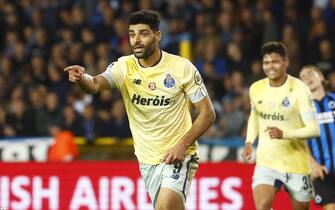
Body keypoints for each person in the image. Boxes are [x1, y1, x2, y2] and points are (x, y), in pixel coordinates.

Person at [64, 10, 215, 210]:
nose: (136, 40)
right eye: (132, 34)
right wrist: (82, 78)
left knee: (165, 207)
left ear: (157, 35)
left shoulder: (182, 68)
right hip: (147, 160)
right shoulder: (124, 67)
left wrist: (182, 145)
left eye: (143, 34)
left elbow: (208, 113)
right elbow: (94, 85)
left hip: (179, 155)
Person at [241, 41, 320, 210]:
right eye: (266, 63)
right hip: (266, 162)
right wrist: (249, 142)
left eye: (275, 62)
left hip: (296, 164)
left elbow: (313, 129)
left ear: (286, 62)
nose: (271, 67)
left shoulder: (300, 89)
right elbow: (255, 116)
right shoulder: (256, 88)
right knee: (262, 205)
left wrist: (284, 133)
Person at [299, 65, 335, 210]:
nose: (307, 77)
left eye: (310, 73)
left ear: (321, 77)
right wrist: (312, 164)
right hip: (321, 172)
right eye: (303, 77)